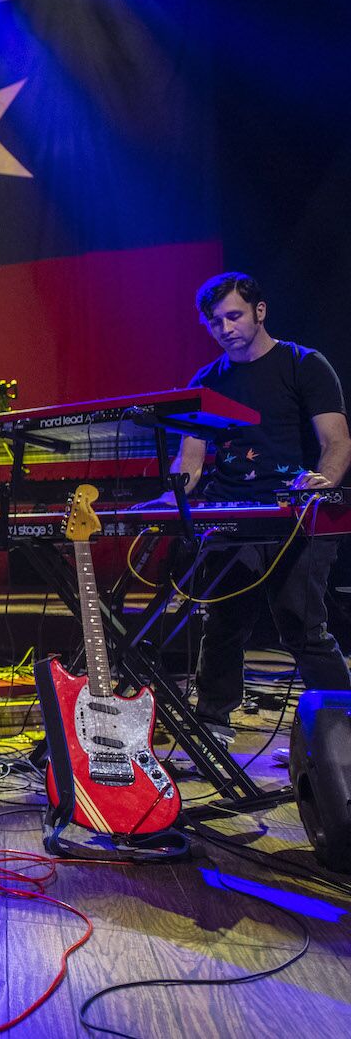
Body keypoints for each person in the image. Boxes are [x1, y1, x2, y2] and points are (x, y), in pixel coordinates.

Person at [171, 272, 351, 745]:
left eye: (234, 315)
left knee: (301, 624)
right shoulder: (207, 382)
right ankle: (212, 723)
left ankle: (343, 721)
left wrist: (323, 483)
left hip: (296, 512)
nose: (225, 327)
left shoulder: (304, 365)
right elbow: (189, 464)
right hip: (233, 515)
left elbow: (336, 442)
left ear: (260, 311)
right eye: (215, 322)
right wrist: (172, 498)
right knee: (224, 620)